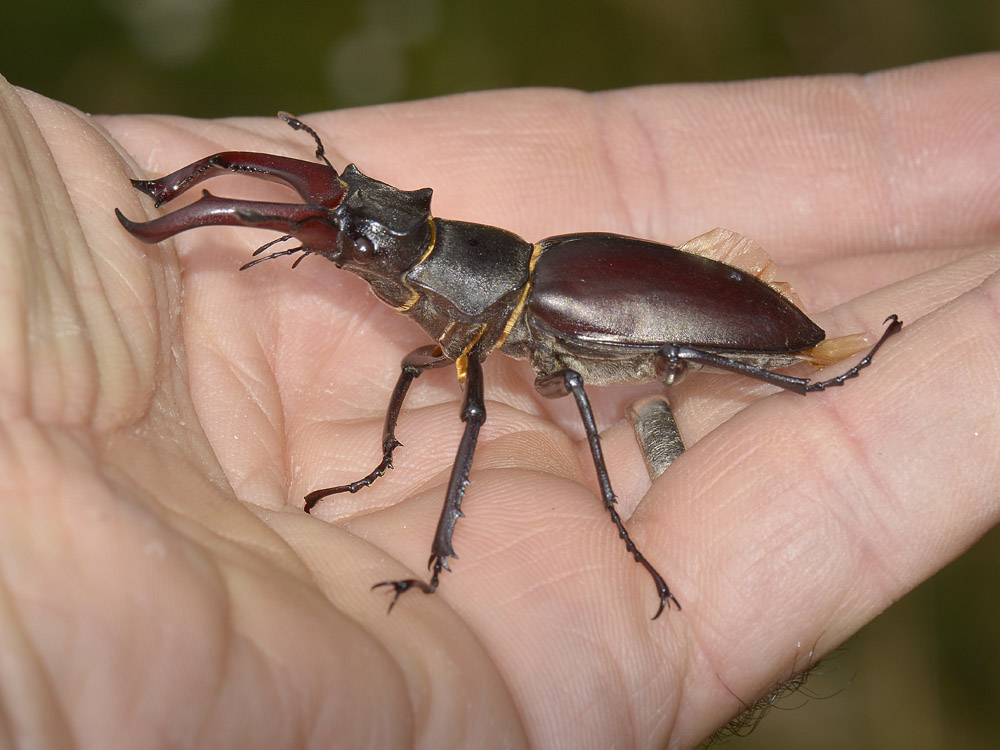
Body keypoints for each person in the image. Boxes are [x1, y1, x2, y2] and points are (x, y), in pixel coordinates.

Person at [0, 53, 997, 747]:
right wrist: (212, 178)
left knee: (639, 363)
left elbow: (514, 408)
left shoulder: (540, 296)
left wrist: (613, 512)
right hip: (558, 293)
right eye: (361, 246)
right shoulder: (480, 309)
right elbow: (412, 322)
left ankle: (463, 555)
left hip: (684, 319)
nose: (360, 261)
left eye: (370, 250)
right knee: (417, 372)